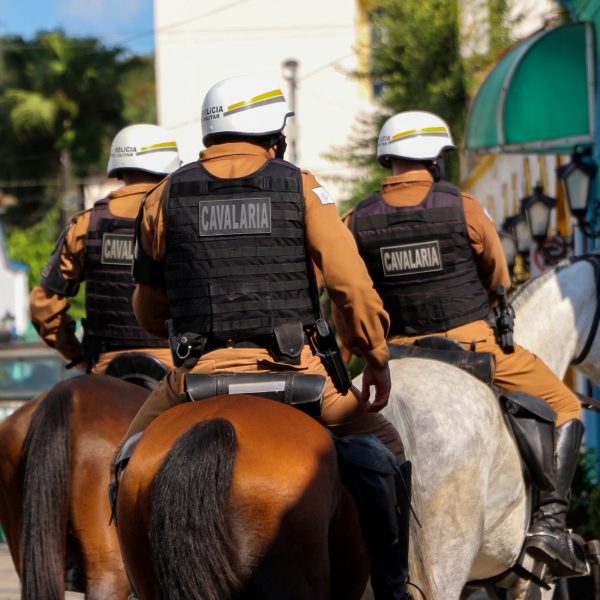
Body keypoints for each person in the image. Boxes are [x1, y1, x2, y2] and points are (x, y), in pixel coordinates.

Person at [116, 74, 411, 599]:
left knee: (127, 463)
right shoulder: (300, 184)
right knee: (386, 450)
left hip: (195, 382)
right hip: (299, 379)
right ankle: (393, 584)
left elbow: (148, 308)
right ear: (273, 132)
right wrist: (376, 353)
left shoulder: (164, 194)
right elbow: (347, 283)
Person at [344, 110, 587, 578]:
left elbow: (347, 286)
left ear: (388, 159)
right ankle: (551, 523)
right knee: (564, 404)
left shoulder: (358, 219)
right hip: (470, 343)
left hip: (393, 353)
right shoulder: (463, 206)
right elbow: (497, 272)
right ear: (436, 157)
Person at [30, 124, 181, 375]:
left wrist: (76, 354)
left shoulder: (87, 224)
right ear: (170, 166)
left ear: (119, 168)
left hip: (106, 366)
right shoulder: (181, 218)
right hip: (176, 364)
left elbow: (43, 304)